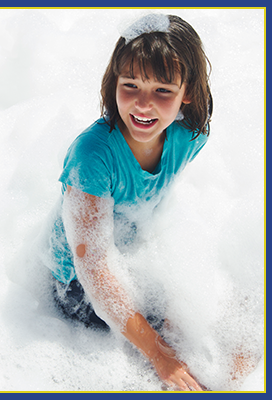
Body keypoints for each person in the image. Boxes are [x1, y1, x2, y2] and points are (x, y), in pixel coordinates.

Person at [44, 14, 213, 391]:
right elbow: (93, 265)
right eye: (131, 85)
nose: (143, 104)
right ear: (114, 82)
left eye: (163, 91)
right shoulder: (93, 155)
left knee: (209, 329)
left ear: (187, 92)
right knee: (176, 360)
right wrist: (157, 353)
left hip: (129, 250)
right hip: (74, 281)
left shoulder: (189, 136)